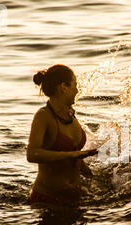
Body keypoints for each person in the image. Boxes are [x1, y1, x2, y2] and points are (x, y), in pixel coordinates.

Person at [27, 64, 97, 205]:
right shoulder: (43, 116)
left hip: (73, 201)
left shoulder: (70, 114)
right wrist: (71, 155)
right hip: (47, 201)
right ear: (63, 87)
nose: (77, 90)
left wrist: (89, 173)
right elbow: (32, 154)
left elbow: (74, 153)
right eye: (75, 85)